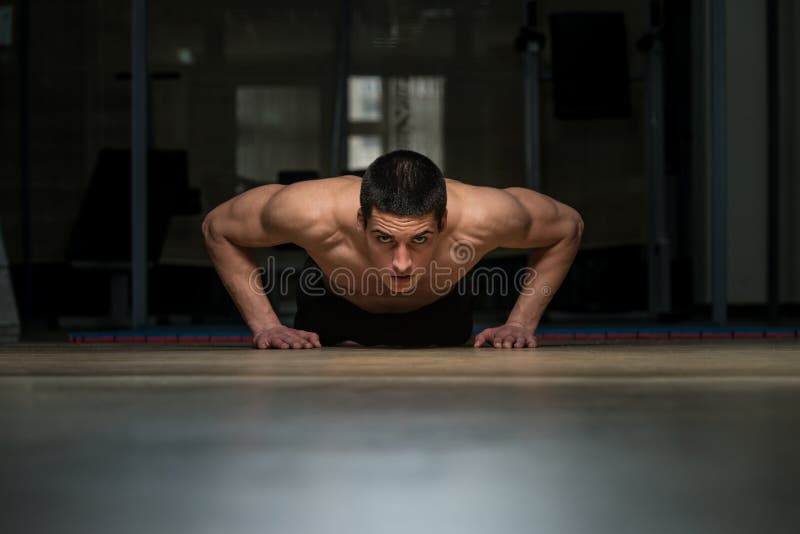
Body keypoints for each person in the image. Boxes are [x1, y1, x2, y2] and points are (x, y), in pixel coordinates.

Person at [202, 150, 583, 349]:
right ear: (359, 221)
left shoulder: (486, 214)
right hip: (331, 316)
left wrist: (520, 323)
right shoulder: (308, 210)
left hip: (440, 318)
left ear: (444, 222)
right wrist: (266, 325)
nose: (402, 264)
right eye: (384, 238)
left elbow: (568, 228)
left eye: (420, 239)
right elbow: (218, 228)